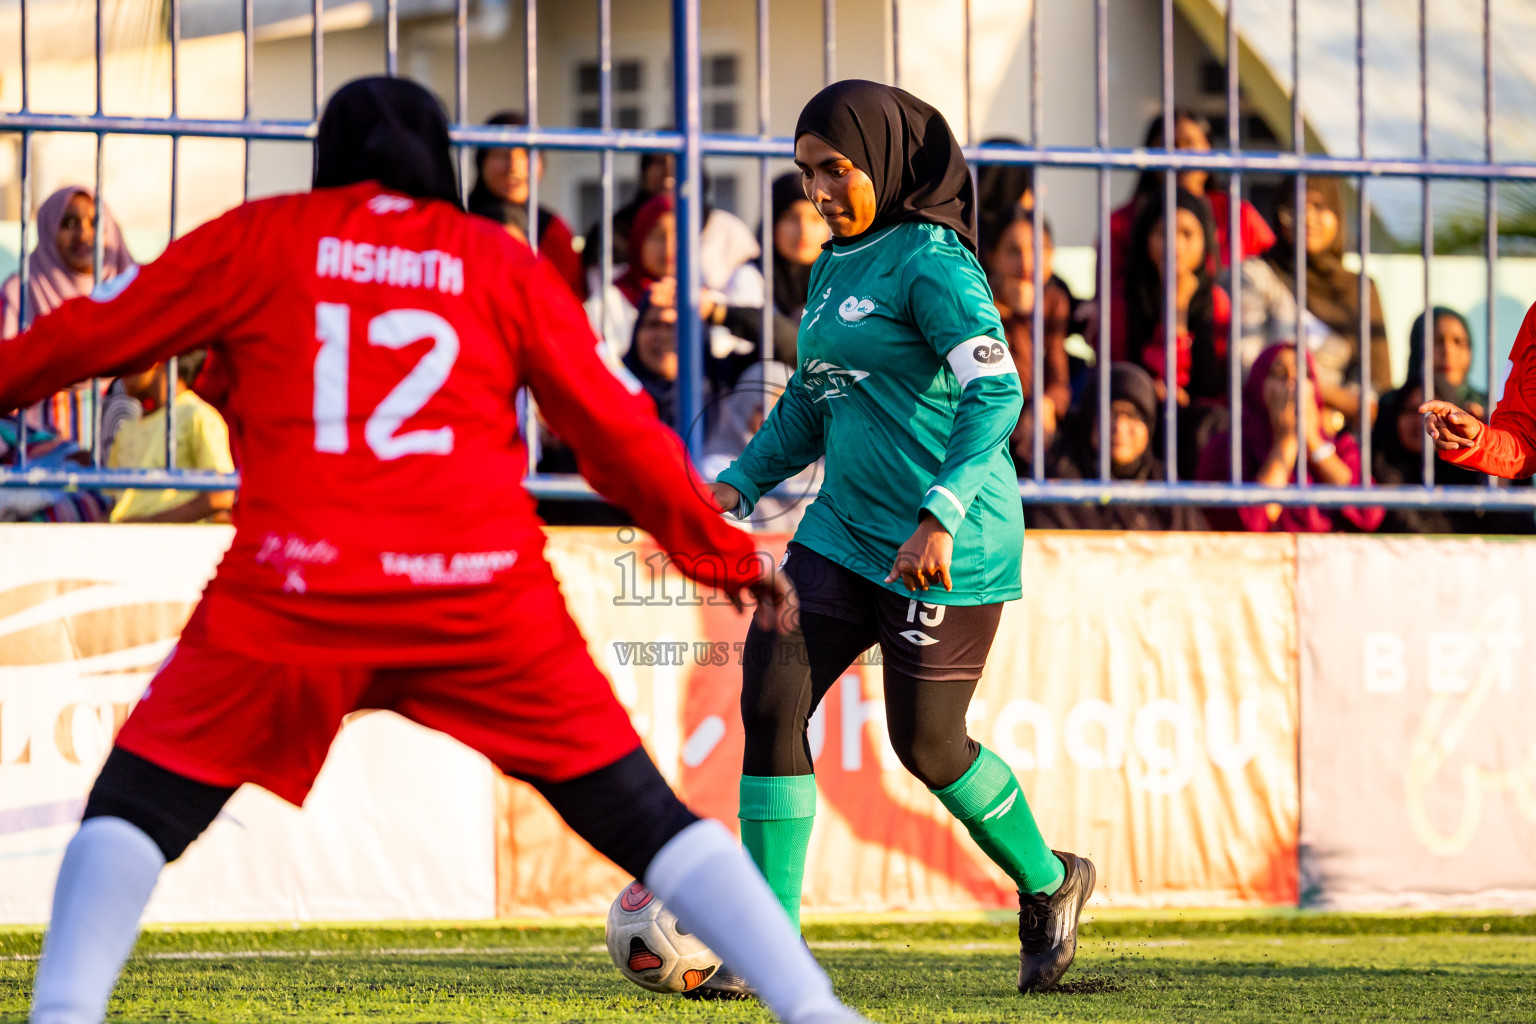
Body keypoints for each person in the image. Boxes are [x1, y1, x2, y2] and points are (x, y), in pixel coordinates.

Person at [3, 76, 869, 1024]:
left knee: (138, 799)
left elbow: (91, 334)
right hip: (478, 590)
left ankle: (64, 1011)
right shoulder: (492, 261)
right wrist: (728, 555)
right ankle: (815, 1013)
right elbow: (618, 435)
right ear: (442, 169)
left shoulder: (264, 236)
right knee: (642, 815)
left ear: (325, 160)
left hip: (297, 585)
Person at [703, 79, 1095, 1000]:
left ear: (882, 160)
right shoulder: (836, 262)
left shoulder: (935, 264)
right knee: (769, 703)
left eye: (834, 169)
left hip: (950, 543)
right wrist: (739, 482)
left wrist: (940, 514)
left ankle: (1049, 881)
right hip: (843, 533)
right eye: (804, 174)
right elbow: (812, 398)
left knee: (928, 747)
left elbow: (999, 394)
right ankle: (772, 944)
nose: (818, 193)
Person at [1237, 177, 1389, 425]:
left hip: (1343, 435)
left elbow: (1376, 384)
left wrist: (1332, 419)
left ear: (1337, 213)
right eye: (1294, 207)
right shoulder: (1256, 276)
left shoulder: (1360, 289)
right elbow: (1250, 370)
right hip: (1267, 426)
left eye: (1319, 206)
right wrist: (1330, 397)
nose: (1306, 217)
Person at [1196, 343, 1382, 534]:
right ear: (1258, 384)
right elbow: (1249, 524)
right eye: (1279, 374)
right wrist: (1286, 442)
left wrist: (1313, 442)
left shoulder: (1341, 448)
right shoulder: (1226, 449)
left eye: (1305, 375)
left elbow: (1368, 515)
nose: (1293, 384)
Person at [1, 185, 137, 445]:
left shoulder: (132, 293)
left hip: (126, 455)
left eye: (95, 221)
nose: (84, 233)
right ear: (49, 230)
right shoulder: (20, 294)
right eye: (69, 222)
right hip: (34, 456)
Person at [1125, 188, 1232, 479]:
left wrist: (1180, 309)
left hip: (1200, 419)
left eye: (1187, 234)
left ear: (1205, 242)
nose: (1175, 245)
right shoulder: (1128, 296)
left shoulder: (1217, 301)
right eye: (1162, 232)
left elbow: (1210, 383)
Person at [1031, 362, 1207, 531]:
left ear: (1149, 427)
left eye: (1133, 416)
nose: (1119, 427)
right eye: (1109, 413)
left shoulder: (1168, 490)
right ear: (1090, 420)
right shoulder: (1057, 486)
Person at [1372, 376, 1530, 535]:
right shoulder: (1379, 468)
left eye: (1433, 413)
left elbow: (1510, 527)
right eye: (1411, 411)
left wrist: (1493, 452)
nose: (1421, 422)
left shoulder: (1469, 475)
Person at [105, 351, 236, 524]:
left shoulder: (197, 415)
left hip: (172, 544)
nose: (123, 370)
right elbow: (116, 503)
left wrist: (149, 523)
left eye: (134, 358)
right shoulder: (127, 429)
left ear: (159, 361)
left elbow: (222, 495)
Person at [468, 110, 586, 298]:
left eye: (526, 154)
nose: (514, 166)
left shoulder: (553, 231)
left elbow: (570, 304)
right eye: (501, 155)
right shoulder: (456, 221)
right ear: (482, 161)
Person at [980, 206, 1071, 450]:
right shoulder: (977, 302)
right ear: (991, 256)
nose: (1027, 263)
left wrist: (1046, 405)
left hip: (1038, 427)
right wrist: (1011, 313)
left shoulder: (1053, 300)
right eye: (1013, 251)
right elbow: (991, 386)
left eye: (1038, 249)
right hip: (988, 428)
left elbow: (1059, 381)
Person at [700, 359, 817, 531]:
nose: (775, 418)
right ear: (744, 407)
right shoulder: (716, 468)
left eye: (786, 410)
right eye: (761, 408)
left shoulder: (814, 469)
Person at [763, 172, 830, 365]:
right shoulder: (750, 278)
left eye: (815, 219)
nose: (803, 230)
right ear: (772, 223)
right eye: (792, 218)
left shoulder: (845, 278)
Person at [583, 151, 675, 289]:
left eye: (678, 161)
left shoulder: (715, 224)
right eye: (658, 162)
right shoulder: (611, 234)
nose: (668, 171)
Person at [1407, 306, 1484, 418]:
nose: (1448, 351)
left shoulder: (1490, 411)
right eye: (1437, 341)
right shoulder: (1387, 410)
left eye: (1458, 342)